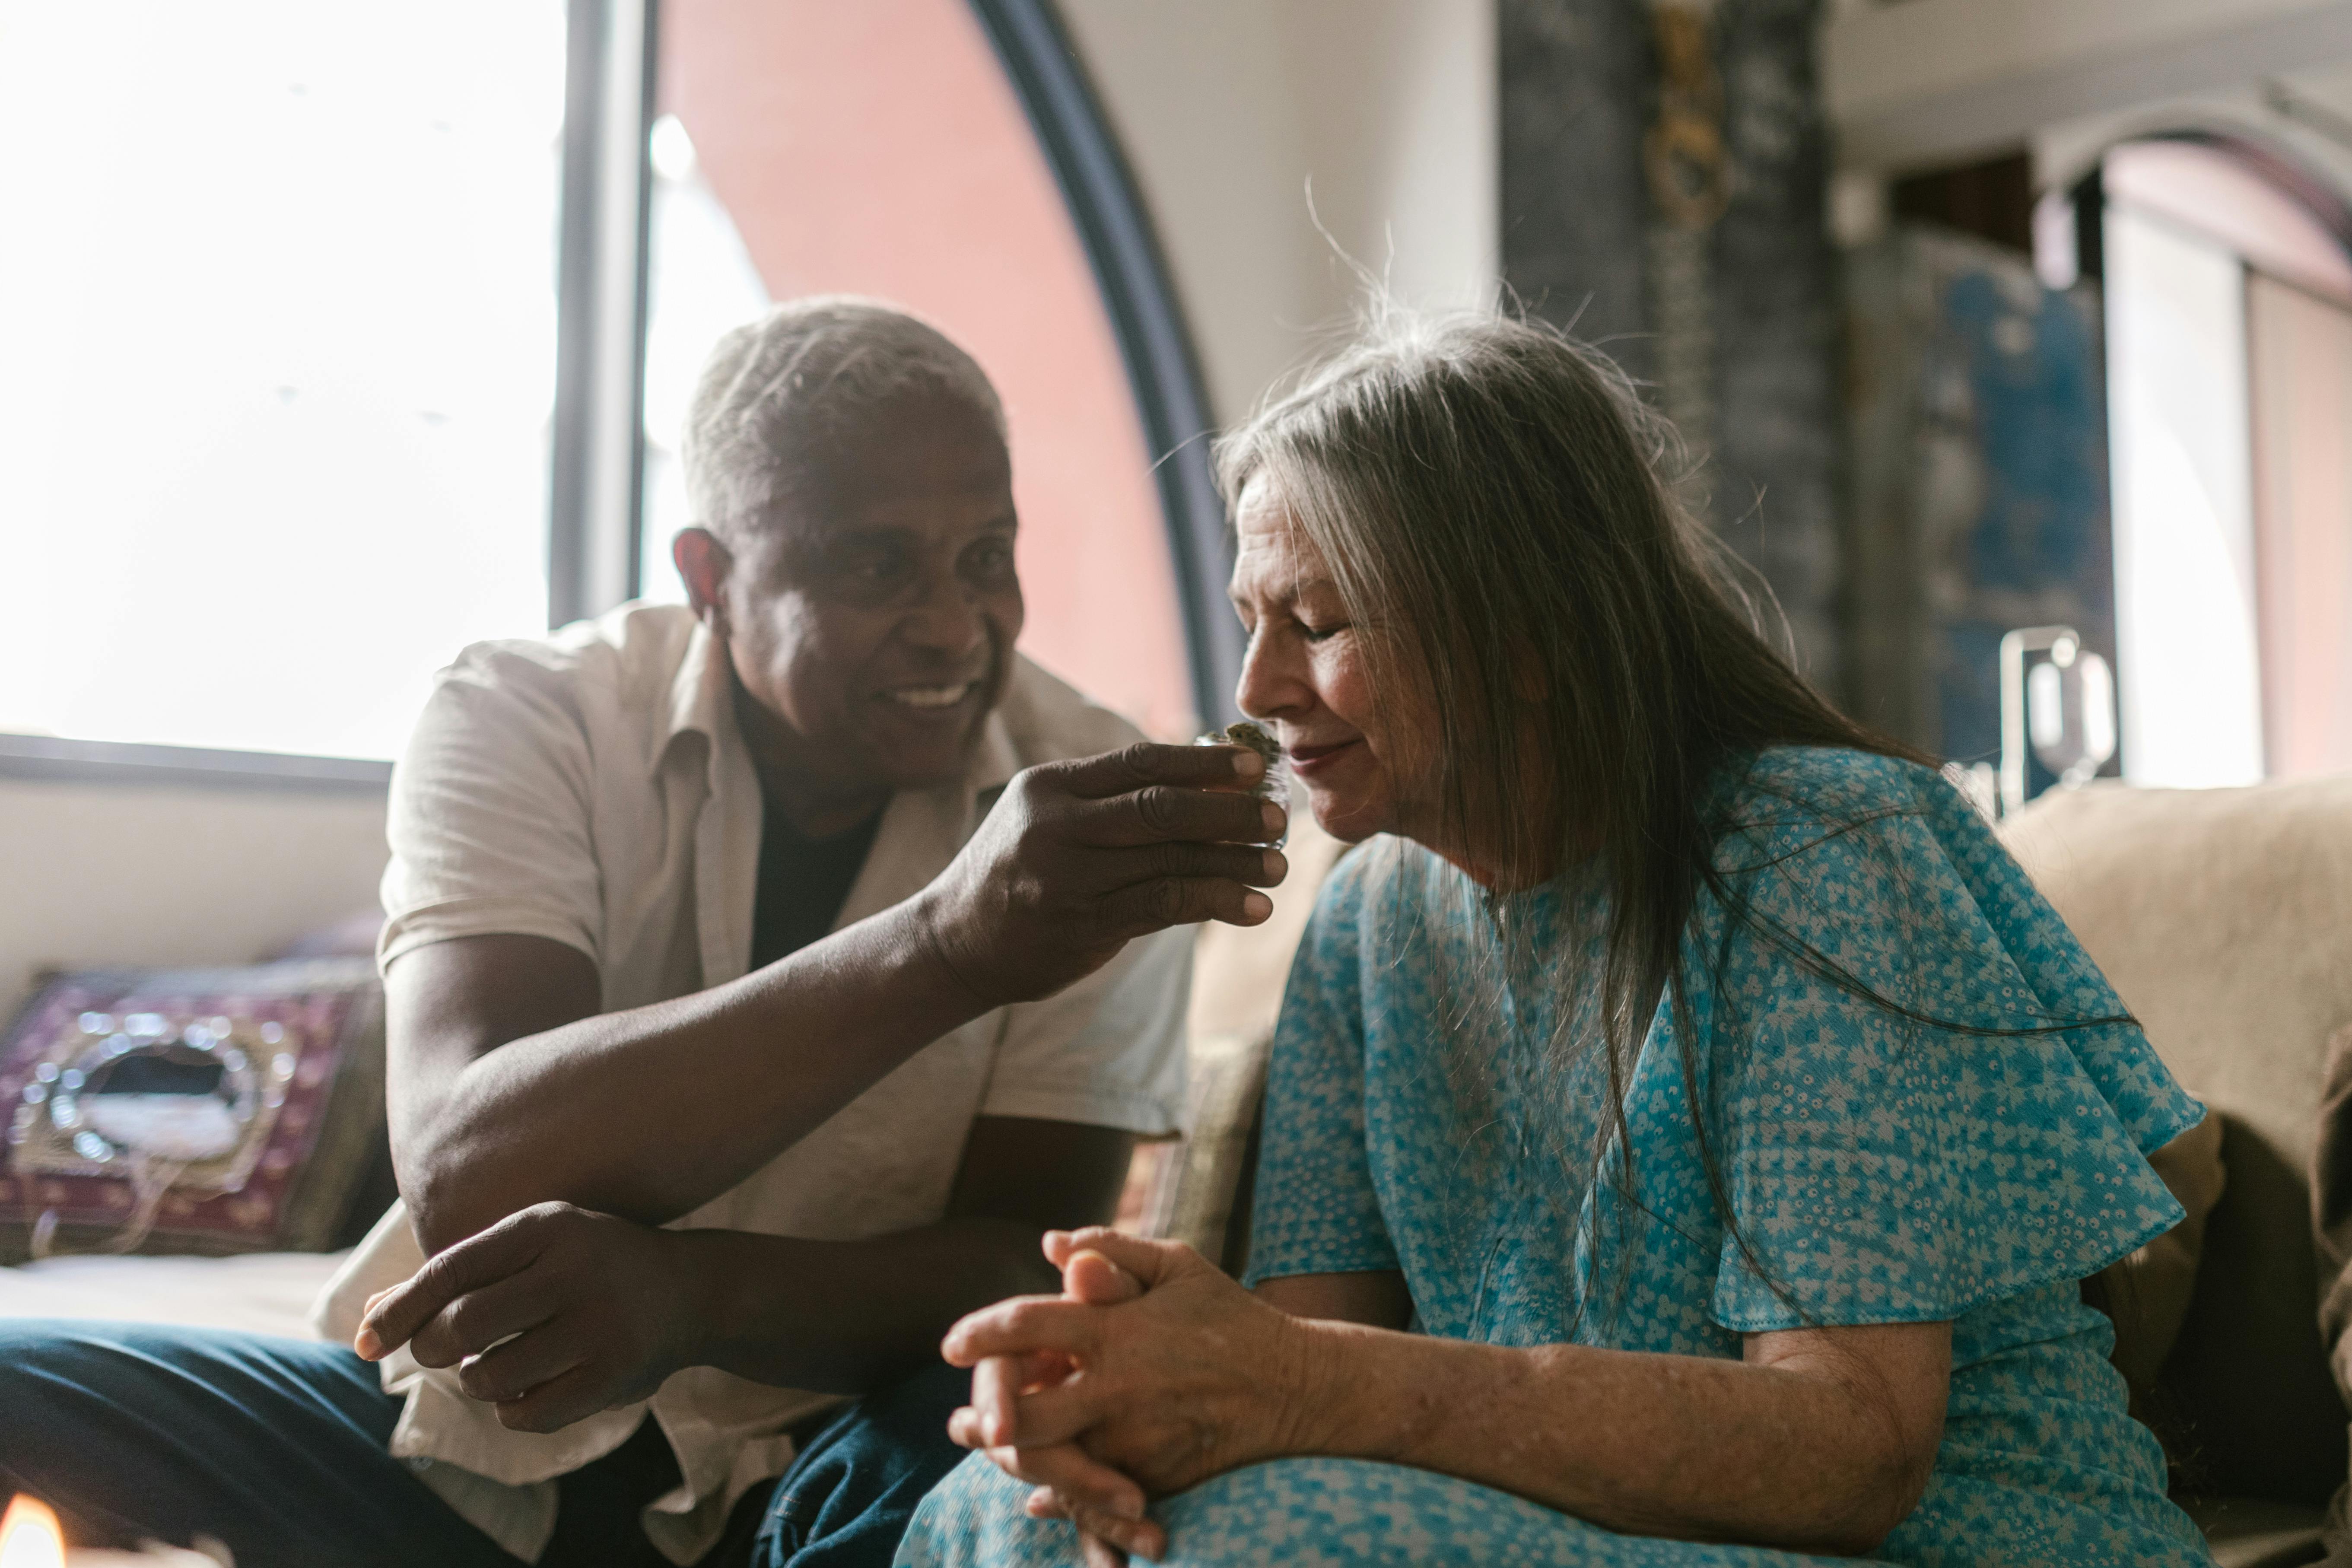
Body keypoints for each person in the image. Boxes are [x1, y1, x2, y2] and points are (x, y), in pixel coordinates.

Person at [895, 311, 2212, 1568]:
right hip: (1586, 1528)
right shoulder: (1365, 915)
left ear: (1528, 637)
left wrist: (1288, 1382)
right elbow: (1299, 1369)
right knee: (986, 1515)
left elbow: (1849, 1457)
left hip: (1958, 1545)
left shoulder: (1813, 853)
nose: (1255, 692)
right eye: (1250, 622)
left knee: (1242, 1550)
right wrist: (1148, 1377)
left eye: (1317, 622)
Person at [0, 299, 1288, 1568]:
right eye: (876, 564)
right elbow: (468, 1162)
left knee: (988, 1484)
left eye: (985, 557)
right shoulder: (528, 717)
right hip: (466, 1438)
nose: (955, 626)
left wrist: (692, 1302)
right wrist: (945, 944)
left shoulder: (1085, 800)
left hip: (838, 1460)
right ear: (710, 577)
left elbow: (1024, 1262)